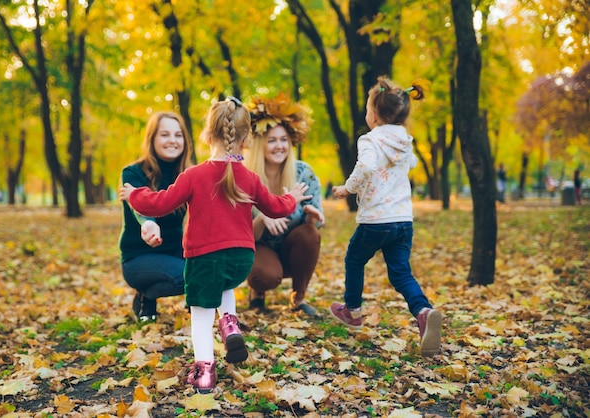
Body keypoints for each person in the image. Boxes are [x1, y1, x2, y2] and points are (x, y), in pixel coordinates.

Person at [119, 97, 312, 393]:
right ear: (246, 139)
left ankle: (205, 371)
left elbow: (161, 203)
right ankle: (230, 324)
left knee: (201, 314)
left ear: (206, 135)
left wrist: (134, 195)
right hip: (241, 260)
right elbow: (275, 207)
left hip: (204, 258)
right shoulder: (249, 177)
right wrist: (293, 199)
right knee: (225, 283)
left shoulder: (194, 175)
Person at [329, 76, 442, 357]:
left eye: (368, 109)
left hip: (375, 220)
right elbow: (412, 163)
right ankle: (423, 310)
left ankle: (352, 311)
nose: (367, 114)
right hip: (403, 220)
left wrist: (347, 188)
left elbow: (366, 166)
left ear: (376, 115)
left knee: (354, 260)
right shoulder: (405, 141)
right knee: (401, 272)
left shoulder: (369, 139)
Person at [244, 93, 325, 316]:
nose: (279, 146)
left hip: (292, 245)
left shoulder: (303, 173)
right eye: (272, 140)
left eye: (283, 140)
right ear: (260, 144)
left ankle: (298, 299)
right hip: (259, 247)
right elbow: (239, 236)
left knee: (309, 234)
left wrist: (311, 218)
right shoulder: (245, 178)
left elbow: (314, 229)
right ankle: (257, 292)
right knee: (265, 275)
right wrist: (263, 217)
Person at [119, 111, 193, 322]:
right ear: (152, 139)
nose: (172, 140)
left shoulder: (189, 174)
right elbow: (139, 207)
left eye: (178, 135)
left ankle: (197, 308)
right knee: (192, 276)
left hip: (177, 250)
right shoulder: (133, 173)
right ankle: (146, 294)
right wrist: (149, 224)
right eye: (165, 135)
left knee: (208, 267)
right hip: (139, 256)